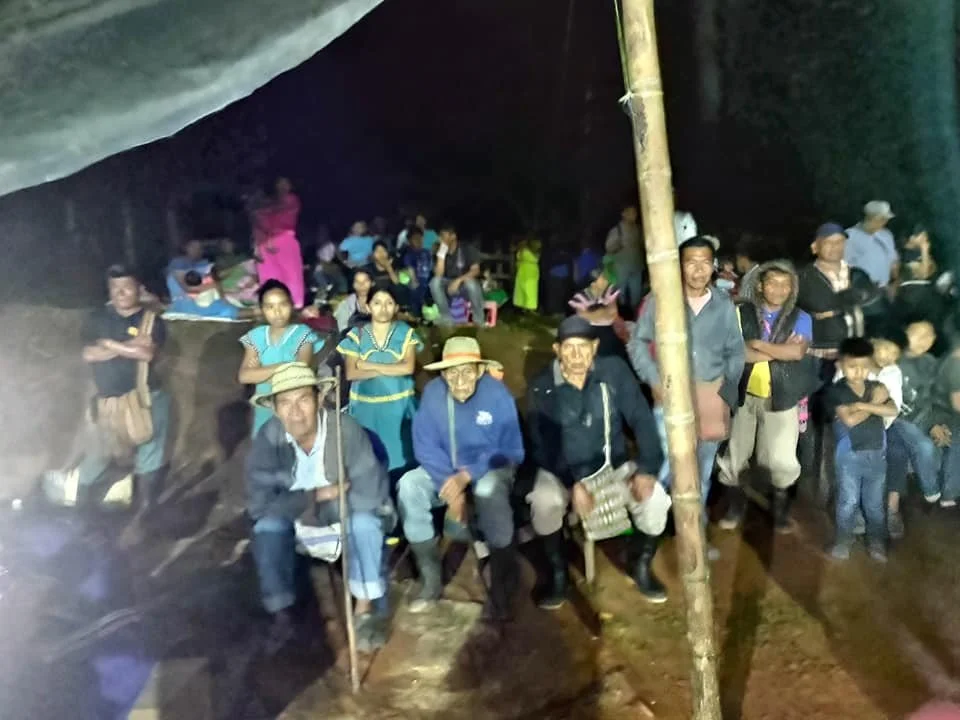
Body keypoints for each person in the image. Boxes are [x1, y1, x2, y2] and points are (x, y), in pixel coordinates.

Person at [245, 363, 392, 651]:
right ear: (274, 409)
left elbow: (370, 491)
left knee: (364, 522)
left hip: (345, 509)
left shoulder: (345, 430)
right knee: (266, 528)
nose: (295, 411)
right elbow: (259, 504)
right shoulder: (269, 438)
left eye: (303, 399)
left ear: (319, 399)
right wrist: (316, 495)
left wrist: (332, 502)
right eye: (285, 402)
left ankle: (364, 609)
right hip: (298, 511)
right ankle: (282, 613)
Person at [526, 317, 669, 608]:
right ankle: (558, 573)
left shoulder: (613, 371)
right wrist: (571, 482)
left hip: (611, 464)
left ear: (595, 347)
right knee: (543, 501)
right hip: (562, 469)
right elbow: (542, 445)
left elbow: (641, 418)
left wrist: (647, 468)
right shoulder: (543, 386)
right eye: (569, 348)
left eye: (584, 347)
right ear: (557, 349)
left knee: (656, 500)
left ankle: (639, 564)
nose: (577, 356)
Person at [397, 337, 525, 620]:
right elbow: (425, 446)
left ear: (479, 371)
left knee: (489, 490)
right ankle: (431, 580)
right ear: (443, 373)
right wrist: (451, 486)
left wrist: (468, 475)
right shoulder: (432, 394)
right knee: (409, 486)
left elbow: (511, 448)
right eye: (452, 372)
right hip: (445, 471)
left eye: (467, 371)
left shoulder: (497, 395)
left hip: (488, 468)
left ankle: (503, 579)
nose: (460, 379)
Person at [629, 235, 745, 512]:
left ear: (714, 266)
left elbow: (736, 351)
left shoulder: (723, 304)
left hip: (711, 397)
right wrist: (654, 381)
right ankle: (652, 532)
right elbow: (637, 342)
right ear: (679, 266)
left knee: (701, 472)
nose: (698, 269)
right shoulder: (660, 300)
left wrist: (726, 392)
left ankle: (694, 535)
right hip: (670, 395)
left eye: (705, 262)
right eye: (690, 262)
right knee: (663, 468)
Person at [48, 265, 170, 514]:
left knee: (150, 453)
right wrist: (129, 347)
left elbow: (145, 353)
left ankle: (145, 512)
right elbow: (89, 354)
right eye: (115, 287)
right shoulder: (96, 319)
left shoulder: (151, 321)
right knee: (100, 453)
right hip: (109, 401)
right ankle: (80, 508)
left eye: (127, 287)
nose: (120, 292)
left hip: (147, 398)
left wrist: (110, 344)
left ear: (139, 289)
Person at [717, 260, 818, 533]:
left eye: (785, 284)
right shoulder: (742, 312)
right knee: (734, 457)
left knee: (780, 461)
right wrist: (778, 350)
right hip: (744, 396)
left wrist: (758, 344)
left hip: (782, 398)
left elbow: (796, 353)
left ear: (792, 288)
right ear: (761, 285)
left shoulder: (801, 317)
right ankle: (735, 508)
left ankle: (780, 511)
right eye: (772, 282)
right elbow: (735, 354)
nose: (779, 289)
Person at [825, 337, 898, 561]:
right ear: (840, 365)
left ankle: (876, 542)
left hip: (877, 453)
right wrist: (875, 405)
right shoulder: (837, 391)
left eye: (864, 367)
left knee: (875, 503)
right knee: (847, 502)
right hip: (849, 456)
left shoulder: (877, 386)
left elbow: (893, 410)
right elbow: (850, 420)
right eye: (852, 367)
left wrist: (863, 405)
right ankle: (843, 540)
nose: (858, 372)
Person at [337, 285, 422, 476]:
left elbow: (408, 368)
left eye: (389, 303)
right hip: (367, 410)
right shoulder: (356, 335)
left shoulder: (405, 333)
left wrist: (367, 365)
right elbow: (351, 373)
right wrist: (393, 368)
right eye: (377, 303)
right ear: (367, 307)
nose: (383, 308)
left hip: (399, 407)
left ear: (396, 307)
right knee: (369, 459)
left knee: (402, 459)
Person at [885, 324, 944, 536]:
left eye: (929, 335)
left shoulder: (930, 363)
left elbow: (932, 399)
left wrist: (935, 422)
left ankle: (893, 509)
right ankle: (932, 494)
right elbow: (896, 405)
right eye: (917, 334)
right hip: (895, 419)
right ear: (905, 334)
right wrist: (928, 425)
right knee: (922, 446)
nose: (923, 340)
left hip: (921, 419)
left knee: (904, 448)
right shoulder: (893, 360)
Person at [238, 280, 319, 436]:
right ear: (262, 310)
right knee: (267, 450)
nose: (277, 312)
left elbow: (301, 371)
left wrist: (261, 372)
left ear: (291, 305)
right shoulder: (256, 336)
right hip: (264, 406)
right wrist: (283, 365)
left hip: (294, 405)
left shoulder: (302, 333)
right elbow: (244, 376)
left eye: (283, 304)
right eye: (270, 307)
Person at [252, 177, 305, 308]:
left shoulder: (291, 199)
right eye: (280, 183)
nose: (283, 186)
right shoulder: (266, 202)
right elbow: (257, 223)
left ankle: (294, 304)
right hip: (264, 242)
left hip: (284, 239)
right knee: (269, 274)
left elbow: (283, 218)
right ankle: (270, 302)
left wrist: (271, 235)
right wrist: (257, 244)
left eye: (286, 183)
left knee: (291, 273)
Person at [166, 239, 243, 319]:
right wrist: (214, 285)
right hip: (187, 303)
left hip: (205, 300)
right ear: (185, 248)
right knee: (228, 311)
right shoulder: (178, 263)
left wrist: (222, 296)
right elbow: (188, 288)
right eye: (193, 247)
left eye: (200, 248)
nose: (197, 250)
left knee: (230, 307)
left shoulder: (203, 264)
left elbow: (215, 280)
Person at [429, 223, 485, 327]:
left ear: (453, 236)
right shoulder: (439, 250)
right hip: (447, 287)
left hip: (464, 286)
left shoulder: (466, 248)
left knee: (471, 283)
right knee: (434, 282)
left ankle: (479, 322)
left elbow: (475, 270)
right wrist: (441, 254)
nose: (439, 238)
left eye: (443, 235)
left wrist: (458, 280)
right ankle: (447, 320)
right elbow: (438, 275)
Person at [568, 269, 628, 361]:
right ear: (593, 284)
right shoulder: (580, 296)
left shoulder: (610, 291)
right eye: (603, 279)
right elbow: (583, 317)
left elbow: (613, 314)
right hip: (590, 332)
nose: (606, 281)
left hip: (609, 331)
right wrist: (604, 311)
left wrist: (592, 312)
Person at [845, 200, 899, 289]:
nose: (885, 222)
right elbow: (843, 266)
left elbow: (893, 261)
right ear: (872, 217)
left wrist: (894, 283)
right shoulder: (850, 236)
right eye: (883, 218)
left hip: (885, 289)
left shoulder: (887, 235)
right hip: (863, 292)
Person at [605, 203, 644, 310]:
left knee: (636, 296)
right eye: (631, 212)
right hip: (621, 268)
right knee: (619, 296)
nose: (634, 215)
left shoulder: (638, 229)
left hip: (636, 267)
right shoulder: (617, 230)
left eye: (635, 212)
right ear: (623, 214)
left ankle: (634, 317)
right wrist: (618, 245)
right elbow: (609, 248)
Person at [401, 227, 434, 317]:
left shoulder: (427, 252)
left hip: (429, 279)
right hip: (418, 280)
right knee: (414, 289)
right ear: (410, 241)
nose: (418, 240)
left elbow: (432, 267)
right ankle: (417, 316)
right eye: (415, 238)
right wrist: (414, 281)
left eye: (420, 238)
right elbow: (410, 269)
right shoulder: (409, 255)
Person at [333, 268, 374, 333]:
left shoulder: (381, 301)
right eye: (357, 282)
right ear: (353, 285)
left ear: (372, 283)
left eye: (365, 281)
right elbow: (343, 331)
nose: (361, 285)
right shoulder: (346, 305)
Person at [513, 237, 541, 312]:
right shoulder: (525, 251)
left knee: (526, 289)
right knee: (528, 289)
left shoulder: (523, 251)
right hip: (527, 271)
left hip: (526, 271)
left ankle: (524, 307)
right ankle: (528, 307)